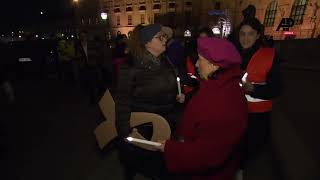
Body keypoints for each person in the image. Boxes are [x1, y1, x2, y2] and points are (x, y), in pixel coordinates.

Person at [158, 37, 247, 180]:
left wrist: (170, 149)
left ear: (214, 65)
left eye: (200, 59)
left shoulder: (223, 103)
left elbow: (207, 155)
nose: (197, 64)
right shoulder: (217, 85)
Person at [115, 24, 186, 180]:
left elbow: (171, 86)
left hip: (167, 124)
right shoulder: (131, 67)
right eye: (160, 37)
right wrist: (126, 130)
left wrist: (178, 95)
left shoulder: (166, 61)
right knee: (153, 168)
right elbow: (122, 102)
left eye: (165, 36)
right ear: (147, 42)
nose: (164, 39)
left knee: (165, 167)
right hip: (145, 128)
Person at [236, 13, 282, 168]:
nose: (245, 38)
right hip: (235, 112)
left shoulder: (270, 56)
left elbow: (276, 89)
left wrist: (253, 89)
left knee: (251, 150)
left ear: (258, 36)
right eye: (242, 34)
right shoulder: (233, 55)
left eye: (250, 34)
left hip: (257, 117)